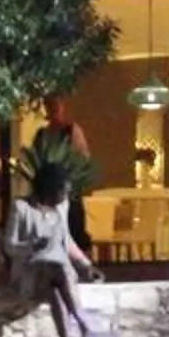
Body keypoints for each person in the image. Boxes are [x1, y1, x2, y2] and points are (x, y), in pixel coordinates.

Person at [8, 159, 103, 337]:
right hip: (31, 271)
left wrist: (86, 265)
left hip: (58, 275)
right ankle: (82, 323)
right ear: (48, 189)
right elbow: (9, 246)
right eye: (62, 191)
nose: (65, 197)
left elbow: (66, 241)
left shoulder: (62, 208)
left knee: (55, 287)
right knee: (52, 270)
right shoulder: (21, 208)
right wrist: (32, 246)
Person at [33, 98, 96, 256]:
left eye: (56, 106)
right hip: (48, 191)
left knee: (74, 225)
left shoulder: (71, 130)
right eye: (50, 106)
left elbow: (83, 156)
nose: (53, 109)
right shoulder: (42, 134)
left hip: (68, 187)